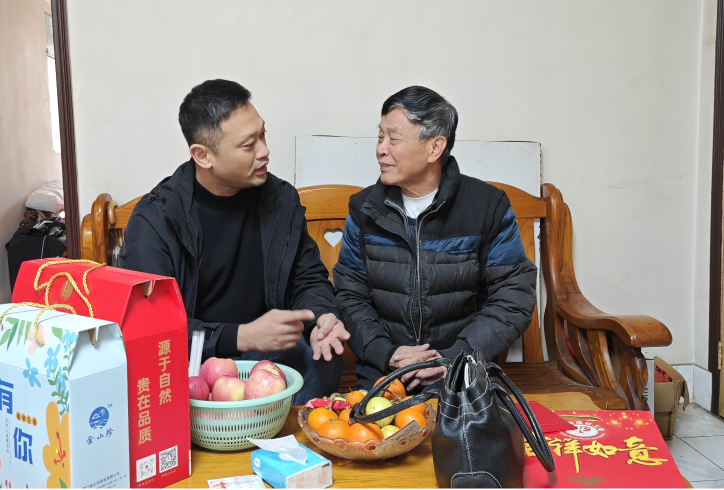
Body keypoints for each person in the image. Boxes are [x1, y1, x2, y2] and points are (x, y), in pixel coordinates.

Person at [120, 79, 349, 404]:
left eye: (263, 135)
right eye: (248, 144)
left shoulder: (279, 200)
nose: (264, 151)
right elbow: (151, 329)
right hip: (193, 367)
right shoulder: (156, 220)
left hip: (268, 359)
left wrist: (323, 318)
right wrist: (242, 336)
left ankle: (297, 435)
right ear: (203, 156)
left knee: (316, 351)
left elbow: (307, 278)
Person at [333, 86, 537, 393]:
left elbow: (513, 297)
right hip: (385, 374)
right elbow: (350, 295)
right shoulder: (365, 210)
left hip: (462, 375)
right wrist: (385, 354)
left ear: (434, 148)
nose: (381, 149)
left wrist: (453, 359)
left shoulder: (486, 207)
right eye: (380, 137)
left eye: (393, 138)